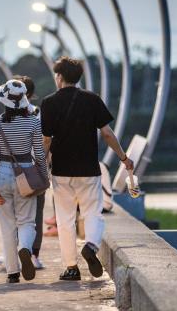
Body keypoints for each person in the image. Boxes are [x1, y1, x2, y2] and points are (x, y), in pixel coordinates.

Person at [41, 57, 133, 281]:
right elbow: (108, 134)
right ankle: (91, 246)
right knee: (93, 213)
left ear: (60, 77)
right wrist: (123, 157)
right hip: (89, 169)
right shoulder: (92, 100)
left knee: (65, 220)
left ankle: (71, 268)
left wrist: (42, 164)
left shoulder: (49, 102)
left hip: (61, 171)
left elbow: (46, 140)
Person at [0, 79, 47, 283]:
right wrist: (43, 178)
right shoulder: (33, 122)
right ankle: (25, 248)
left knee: (7, 225)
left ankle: (12, 272)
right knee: (27, 221)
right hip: (26, 174)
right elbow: (39, 154)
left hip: (2, 174)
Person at [13, 74, 45, 269]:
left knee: (13, 214)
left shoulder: (6, 115)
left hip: (12, 169)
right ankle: (34, 255)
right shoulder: (38, 113)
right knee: (36, 215)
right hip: (34, 169)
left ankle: (14, 253)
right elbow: (45, 141)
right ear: (32, 94)